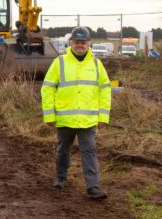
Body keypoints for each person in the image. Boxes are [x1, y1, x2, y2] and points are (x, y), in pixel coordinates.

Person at [41, 26, 111, 200]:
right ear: (71, 43)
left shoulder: (96, 64)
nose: (80, 45)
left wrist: (103, 117)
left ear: (88, 44)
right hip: (65, 118)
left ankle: (93, 187)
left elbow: (105, 90)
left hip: (88, 120)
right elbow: (48, 89)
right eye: (77, 42)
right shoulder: (60, 63)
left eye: (83, 42)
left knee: (89, 151)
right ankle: (61, 177)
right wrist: (49, 116)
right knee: (63, 150)